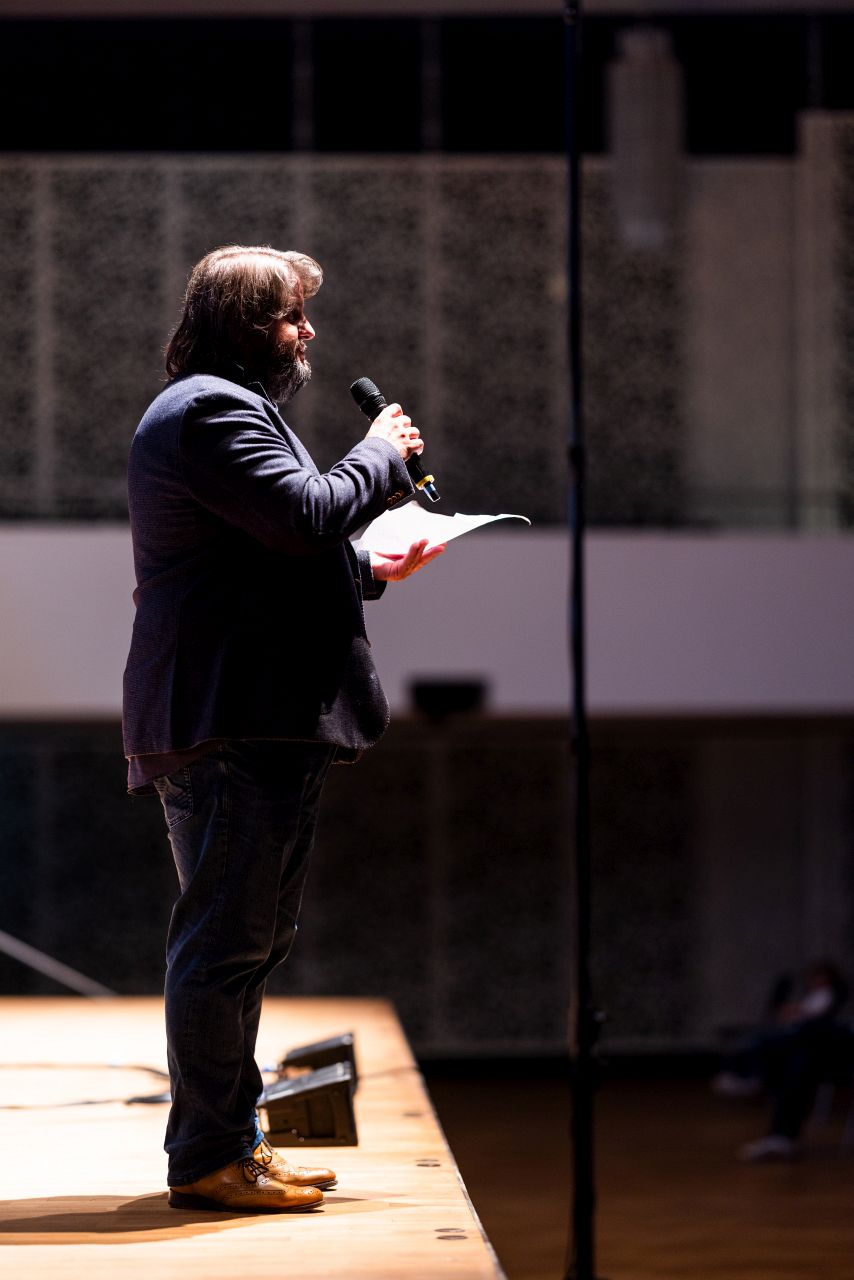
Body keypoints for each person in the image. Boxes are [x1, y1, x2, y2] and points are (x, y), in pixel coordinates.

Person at [122, 244, 445, 1212]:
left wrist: (371, 565)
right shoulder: (210, 410)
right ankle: (207, 1156)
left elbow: (272, 547)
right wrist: (379, 453)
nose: (309, 333)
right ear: (245, 324)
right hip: (232, 717)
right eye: (292, 315)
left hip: (251, 715)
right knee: (224, 943)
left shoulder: (224, 411)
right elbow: (303, 515)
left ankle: (234, 1143)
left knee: (250, 941)